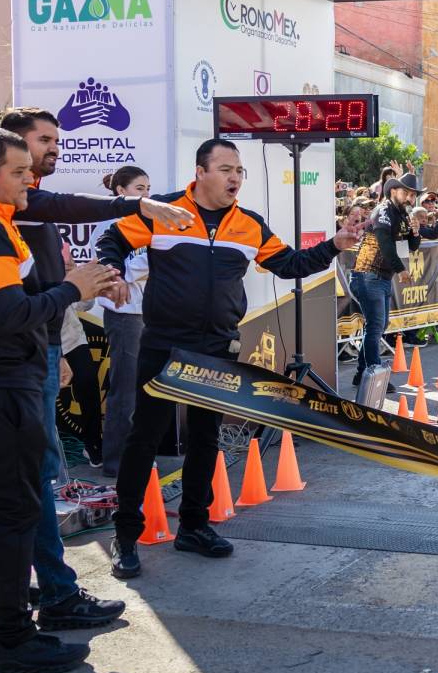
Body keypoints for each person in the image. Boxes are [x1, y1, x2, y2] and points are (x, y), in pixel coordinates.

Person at [97, 139, 366, 580]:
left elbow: (289, 264)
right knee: (144, 438)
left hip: (217, 346)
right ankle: (125, 536)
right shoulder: (163, 210)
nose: (235, 177)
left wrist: (335, 244)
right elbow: (113, 238)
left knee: (205, 438)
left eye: (239, 170)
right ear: (200, 171)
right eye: (225, 169)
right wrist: (111, 274)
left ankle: (195, 526)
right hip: (164, 343)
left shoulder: (248, 225)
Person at [0, 129, 122, 673]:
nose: (30, 181)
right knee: (13, 512)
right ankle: (13, 640)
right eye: (19, 172)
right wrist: (73, 288)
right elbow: (9, 316)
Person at [0, 108, 191, 632]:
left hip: (36, 350)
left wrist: (56, 344)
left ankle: (18, 591)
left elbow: (42, 275)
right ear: (7, 150)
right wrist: (139, 204)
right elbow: (64, 210)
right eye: (44, 140)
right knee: (30, 478)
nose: (54, 149)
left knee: (30, 477)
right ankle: (47, 595)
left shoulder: (25, 203)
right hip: (13, 361)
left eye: (57, 139)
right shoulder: (14, 203)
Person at [94, 167, 152, 477]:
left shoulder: (144, 223)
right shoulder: (110, 225)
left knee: (139, 386)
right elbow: (124, 271)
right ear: (120, 191)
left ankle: (134, 457)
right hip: (122, 314)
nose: (146, 194)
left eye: (148, 188)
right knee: (124, 388)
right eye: (139, 188)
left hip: (143, 313)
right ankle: (116, 462)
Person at [348, 171, 421, 388]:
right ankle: (373, 375)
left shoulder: (403, 215)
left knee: (379, 326)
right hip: (368, 274)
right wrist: (400, 269)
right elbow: (385, 243)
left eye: (414, 194)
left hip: (381, 277)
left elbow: (410, 247)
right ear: (393, 191)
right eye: (407, 192)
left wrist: (416, 233)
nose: (411, 197)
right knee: (376, 325)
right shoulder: (383, 210)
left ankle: (363, 373)